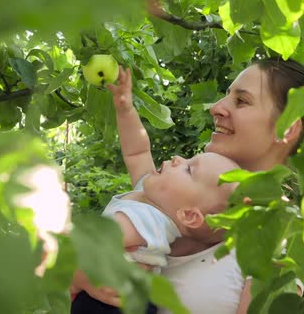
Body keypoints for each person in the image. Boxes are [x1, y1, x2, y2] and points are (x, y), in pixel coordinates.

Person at [72, 57, 304, 314]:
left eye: (241, 101)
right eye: (226, 95)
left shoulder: (281, 237)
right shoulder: (174, 193)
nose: (216, 107)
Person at [71, 67, 240, 314]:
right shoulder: (150, 196)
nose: (178, 159)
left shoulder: (151, 219)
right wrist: (125, 109)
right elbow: (137, 151)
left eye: (189, 170)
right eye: (188, 159)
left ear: (188, 215)